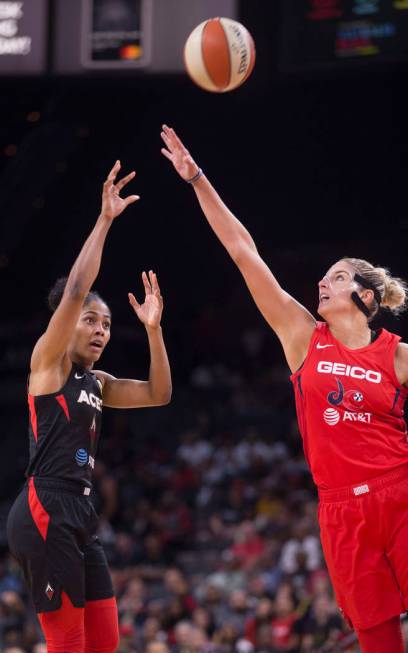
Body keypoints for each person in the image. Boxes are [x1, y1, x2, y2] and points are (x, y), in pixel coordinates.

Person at [161, 124, 408, 653]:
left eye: (338, 277)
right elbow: (243, 252)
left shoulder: (396, 353)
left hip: (400, 490)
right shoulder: (302, 337)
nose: (323, 281)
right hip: (341, 509)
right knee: (378, 639)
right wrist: (198, 180)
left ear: (365, 297)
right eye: (324, 275)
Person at [6, 160, 172, 653]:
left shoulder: (97, 382)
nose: (101, 330)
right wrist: (104, 220)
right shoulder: (49, 361)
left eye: (107, 324)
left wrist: (154, 331)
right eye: (92, 321)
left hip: (80, 509)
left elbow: (158, 394)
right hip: (44, 506)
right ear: (67, 321)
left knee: (105, 641)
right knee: (69, 644)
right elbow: (77, 289)